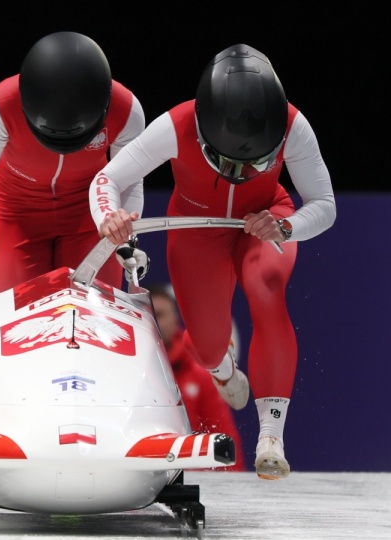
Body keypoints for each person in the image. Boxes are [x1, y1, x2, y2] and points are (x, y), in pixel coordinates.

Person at [90, 44, 336, 480]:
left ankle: (271, 436)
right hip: (196, 231)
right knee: (206, 346)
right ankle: (223, 370)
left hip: (265, 220)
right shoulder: (176, 125)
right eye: (228, 163)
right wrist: (109, 216)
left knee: (267, 287)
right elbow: (108, 177)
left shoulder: (293, 126)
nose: (241, 173)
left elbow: (324, 205)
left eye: (256, 163)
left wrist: (285, 227)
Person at [0, 31, 149, 292]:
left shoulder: (127, 112)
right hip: (15, 216)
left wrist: (125, 238)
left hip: (90, 217)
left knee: (92, 313)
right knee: (16, 315)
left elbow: (130, 179)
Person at [149, 283, 246, 472]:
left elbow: (222, 437)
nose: (155, 322)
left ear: (175, 319)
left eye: (160, 314)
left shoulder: (200, 376)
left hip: (192, 480)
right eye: (149, 315)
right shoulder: (126, 372)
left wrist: (234, 484)